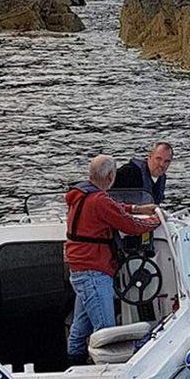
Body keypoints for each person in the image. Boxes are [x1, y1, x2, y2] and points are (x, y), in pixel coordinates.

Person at [65, 155, 160, 362]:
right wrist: (154, 222)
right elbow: (130, 226)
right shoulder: (99, 200)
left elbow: (112, 209)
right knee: (105, 332)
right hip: (94, 271)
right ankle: (105, 375)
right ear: (110, 176)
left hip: (80, 269)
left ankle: (74, 362)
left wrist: (136, 208)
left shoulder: (81, 195)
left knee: (80, 329)